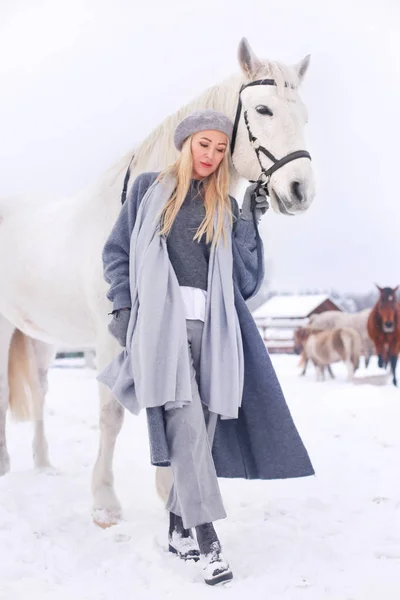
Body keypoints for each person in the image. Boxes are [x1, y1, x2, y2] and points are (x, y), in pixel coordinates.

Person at [99, 109, 314, 586]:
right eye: (205, 145)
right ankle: (207, 540)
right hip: (161, 331)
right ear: (186, 143)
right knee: (189, 433)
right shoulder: (148, 190)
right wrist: (123, 310)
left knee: (202, 433)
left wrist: (249, 222)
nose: (212, 156)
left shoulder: (223, 204)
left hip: (215, 333)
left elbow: (245, 280)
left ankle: (176, 527)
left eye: (220, 149)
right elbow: (117, 252)